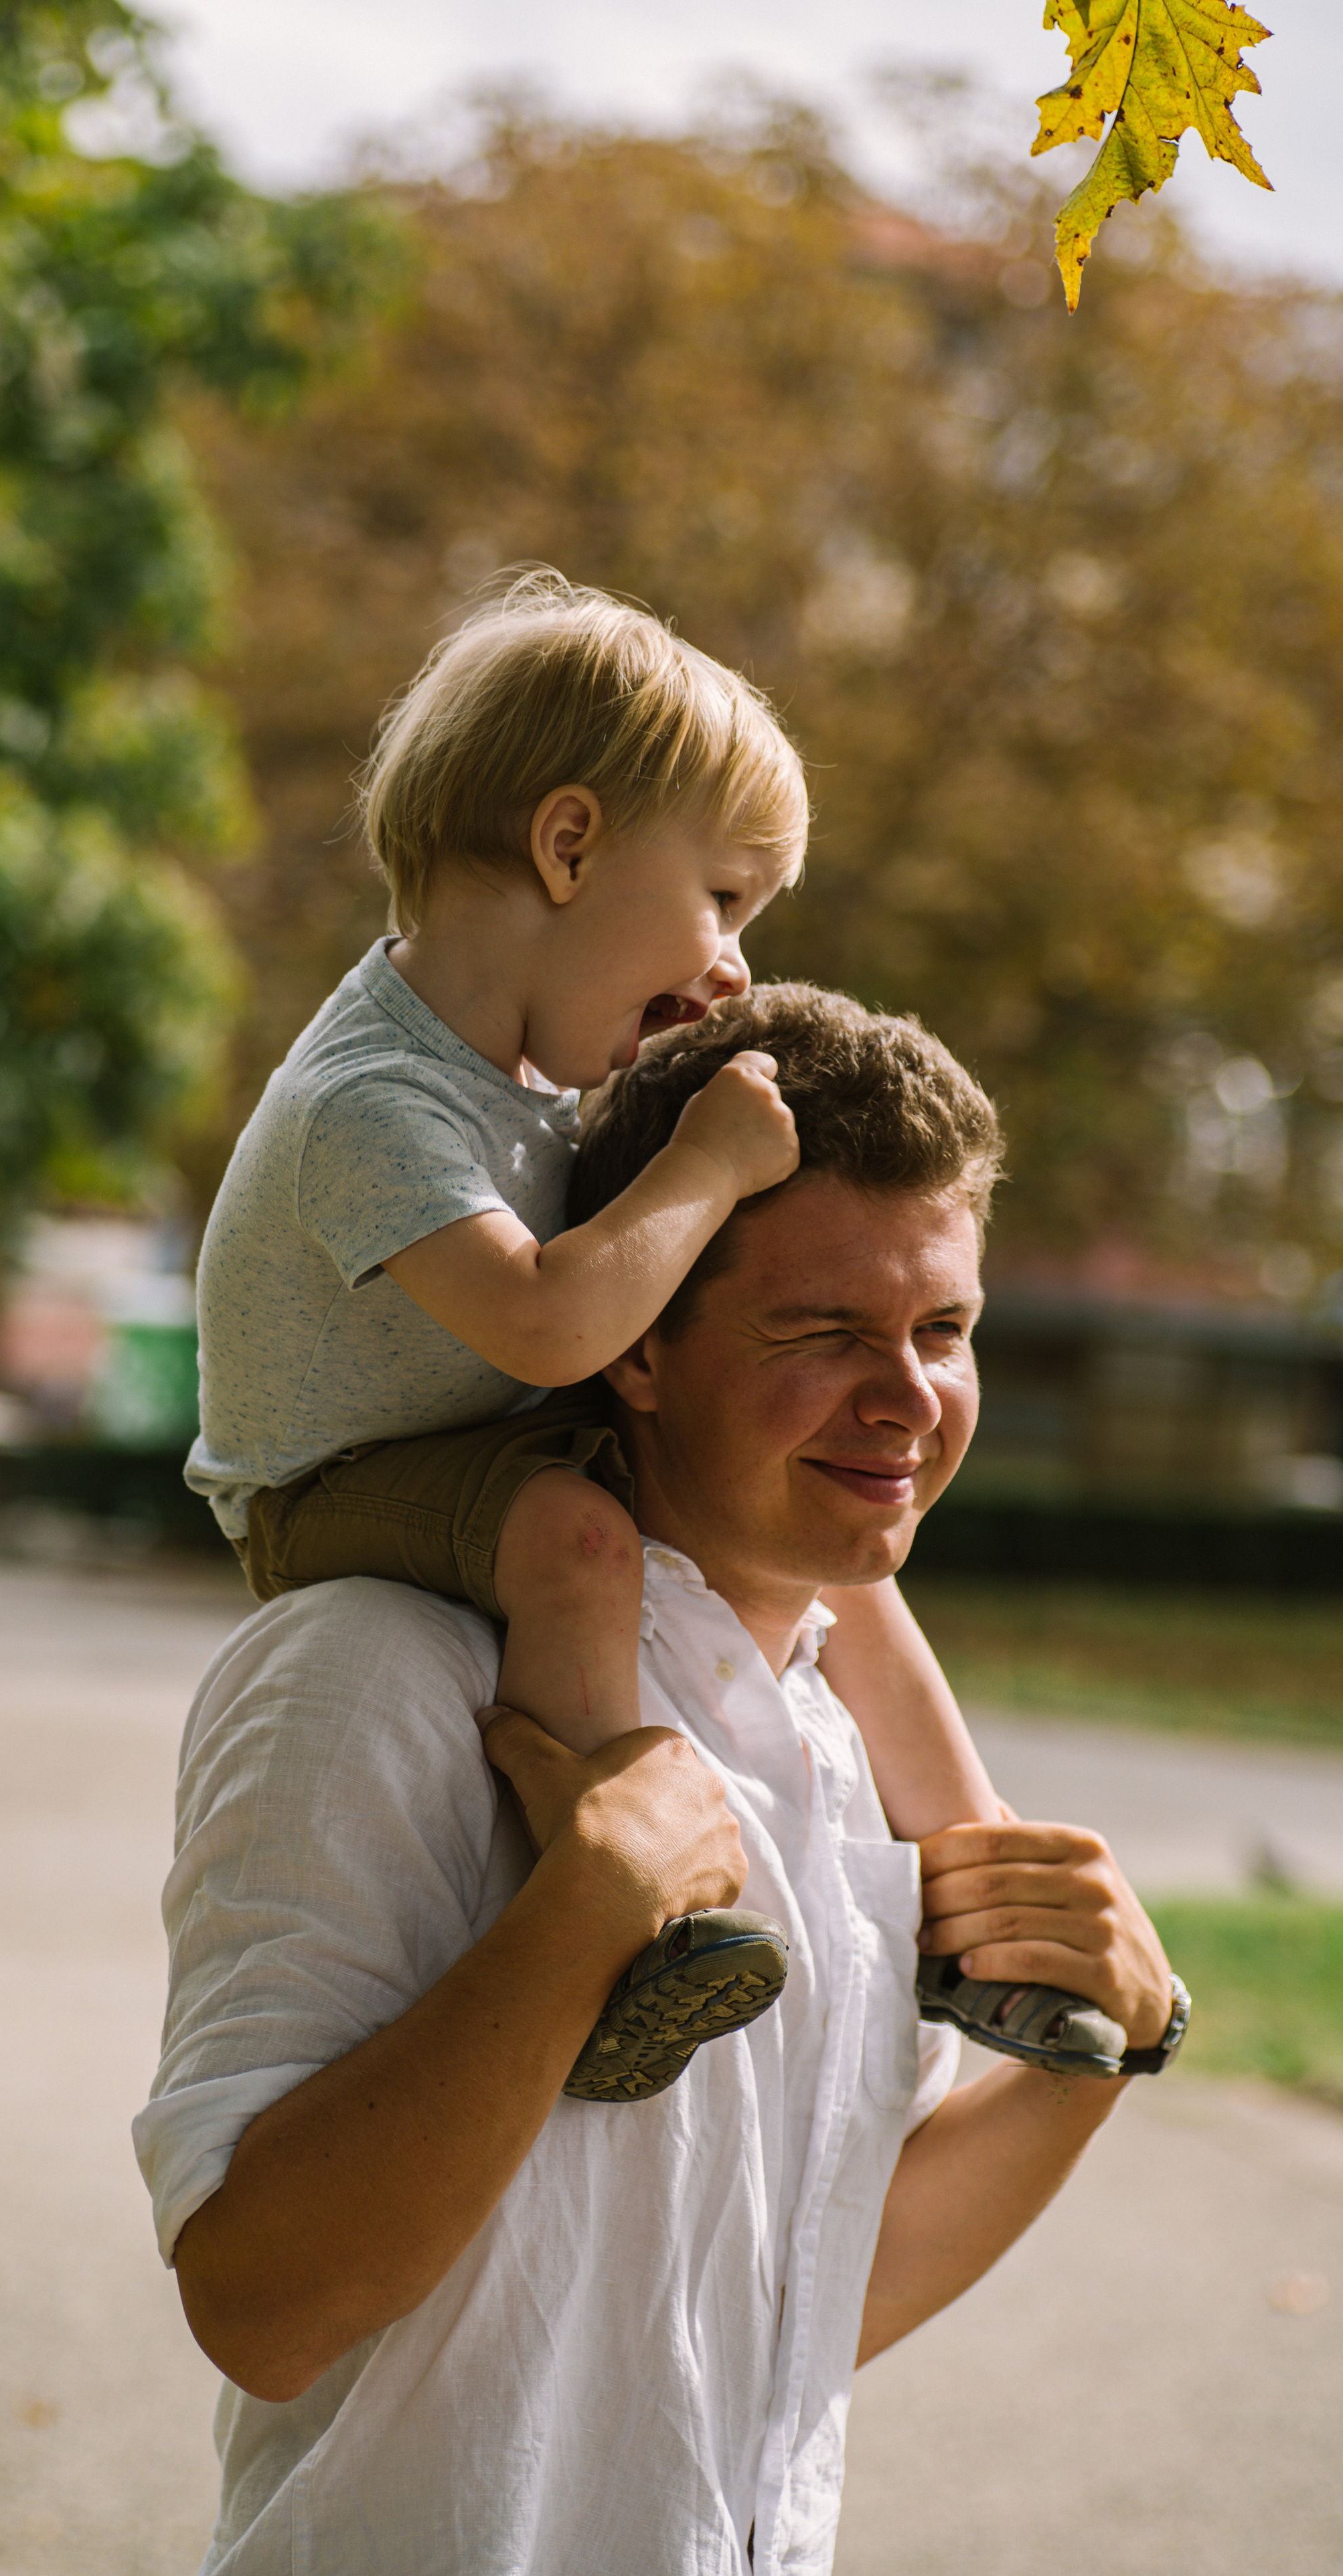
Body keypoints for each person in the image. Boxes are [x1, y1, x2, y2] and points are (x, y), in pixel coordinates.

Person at [135, 982, 1186, 2576]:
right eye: (823, 1332)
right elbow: (262, 2307)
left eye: (943, 1329)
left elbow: (803, 2297)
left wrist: (1091, 2064)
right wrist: (582, 1920)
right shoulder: (375, 1675)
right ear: (633, 1350)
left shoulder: (845, 1745)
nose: (907, 1397)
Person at [185, 570, 1115, 2092]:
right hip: (327, 1486)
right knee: (571, 1535)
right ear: (567, 847)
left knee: (833, 1566)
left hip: (470, 1431)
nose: (733, 962)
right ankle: (623, 1896)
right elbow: (552, 1327)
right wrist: (698, 1170)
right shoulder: (370, 1101)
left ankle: (975, 1890)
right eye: (724, 899)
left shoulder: (520, 1079)